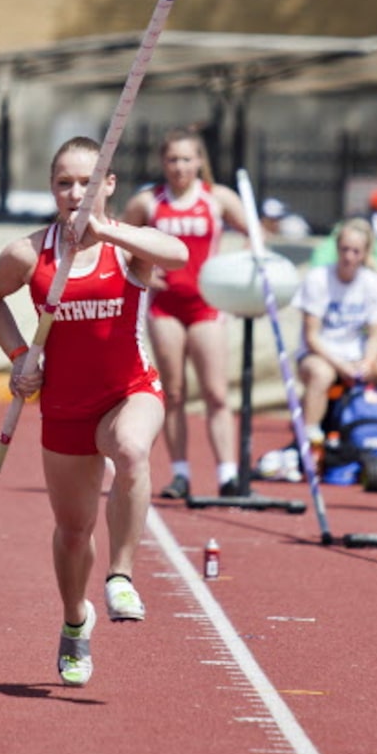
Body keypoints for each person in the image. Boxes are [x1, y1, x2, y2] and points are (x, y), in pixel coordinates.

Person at [0, 135, 188, 686]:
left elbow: (179, 254)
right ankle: (75, 622)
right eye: (64, 183)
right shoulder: (31, 252)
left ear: (107, 185)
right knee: (73, 532)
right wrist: (20, 355)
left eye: (86, 183)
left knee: (132, 449)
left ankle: (121, 577)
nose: (75, 193)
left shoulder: (126, 245)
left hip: (129, 392)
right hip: (65, 406)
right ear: (52, 188)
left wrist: (105, 228)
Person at [123, 127, 248, 500]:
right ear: (163, 162)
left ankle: (227, 473)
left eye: (187, 159)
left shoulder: (217, 198)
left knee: (216, 392)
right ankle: (180, 473)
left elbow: (254, 235)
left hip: (206, 305)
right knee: (173, 392)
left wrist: (233, 270)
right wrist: (143, 266)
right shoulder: (148, 202)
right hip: (164, 306)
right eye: (172, 159)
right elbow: (120, 241)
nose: (179, 167)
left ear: (199, 162)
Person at [291, 217, 377, 461]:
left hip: (358, 357)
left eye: (356, 251)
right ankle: (309, 445)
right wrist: (342, 366)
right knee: (321, 374)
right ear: (337, 249)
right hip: (320, 355)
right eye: (344, 250)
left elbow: (375, 335)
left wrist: (366, 364)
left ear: (366, 253)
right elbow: (311, 336)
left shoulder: (373, 283)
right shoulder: (318, 279)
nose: (349, 257)